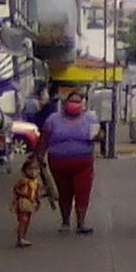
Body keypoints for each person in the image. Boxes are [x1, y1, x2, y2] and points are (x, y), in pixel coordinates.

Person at [36, 91, 102, 234]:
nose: (74, 105)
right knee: (64, 193)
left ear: (83, 104)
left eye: (78, 101)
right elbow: (44, 138)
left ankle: (81, 223)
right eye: (72, 101)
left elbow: (98, 137)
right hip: (58, 163)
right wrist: (39, 156)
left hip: (83, 163)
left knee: (82, 192)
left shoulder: (90, 119)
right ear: (65, 103)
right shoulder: (53, 119)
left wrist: (98, 136)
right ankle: (65, 222)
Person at [11, 156, 43, 248]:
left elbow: (36, 193)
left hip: (30, 203)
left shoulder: (36, 182)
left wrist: (38, 201)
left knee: (27, 220)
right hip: (23, 203)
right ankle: (20, 238)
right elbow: (16, 189)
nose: (33, 172)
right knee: (23, 220)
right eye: (30, 169)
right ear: (25, 170)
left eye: (36, 169)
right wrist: (23, 194)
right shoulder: (23, 181)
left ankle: (23, 237)